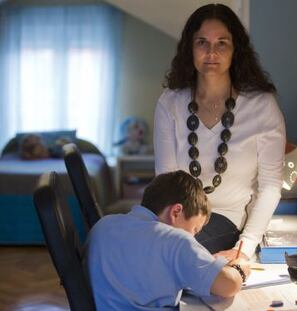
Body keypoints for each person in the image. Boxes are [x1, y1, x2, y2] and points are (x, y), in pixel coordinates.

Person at [154, 3, 286, 259]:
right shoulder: (170, 103)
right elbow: (165, 181)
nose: (211, 52)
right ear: (189, 49)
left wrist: (244, 248)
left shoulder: (262, 105)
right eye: (202, 42)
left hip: (226, 218)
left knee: (171, 259)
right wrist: (169, 230)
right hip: (174, 217)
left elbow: (270, 186)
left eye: (222, 43)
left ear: (236, 49)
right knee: (131, 250)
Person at [85, 170, 251, 311]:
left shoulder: (102, 226)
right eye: (194, 230)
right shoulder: (176, 240)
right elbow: (228, 285)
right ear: (176, 212)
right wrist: (239, 266)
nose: (193, 238)